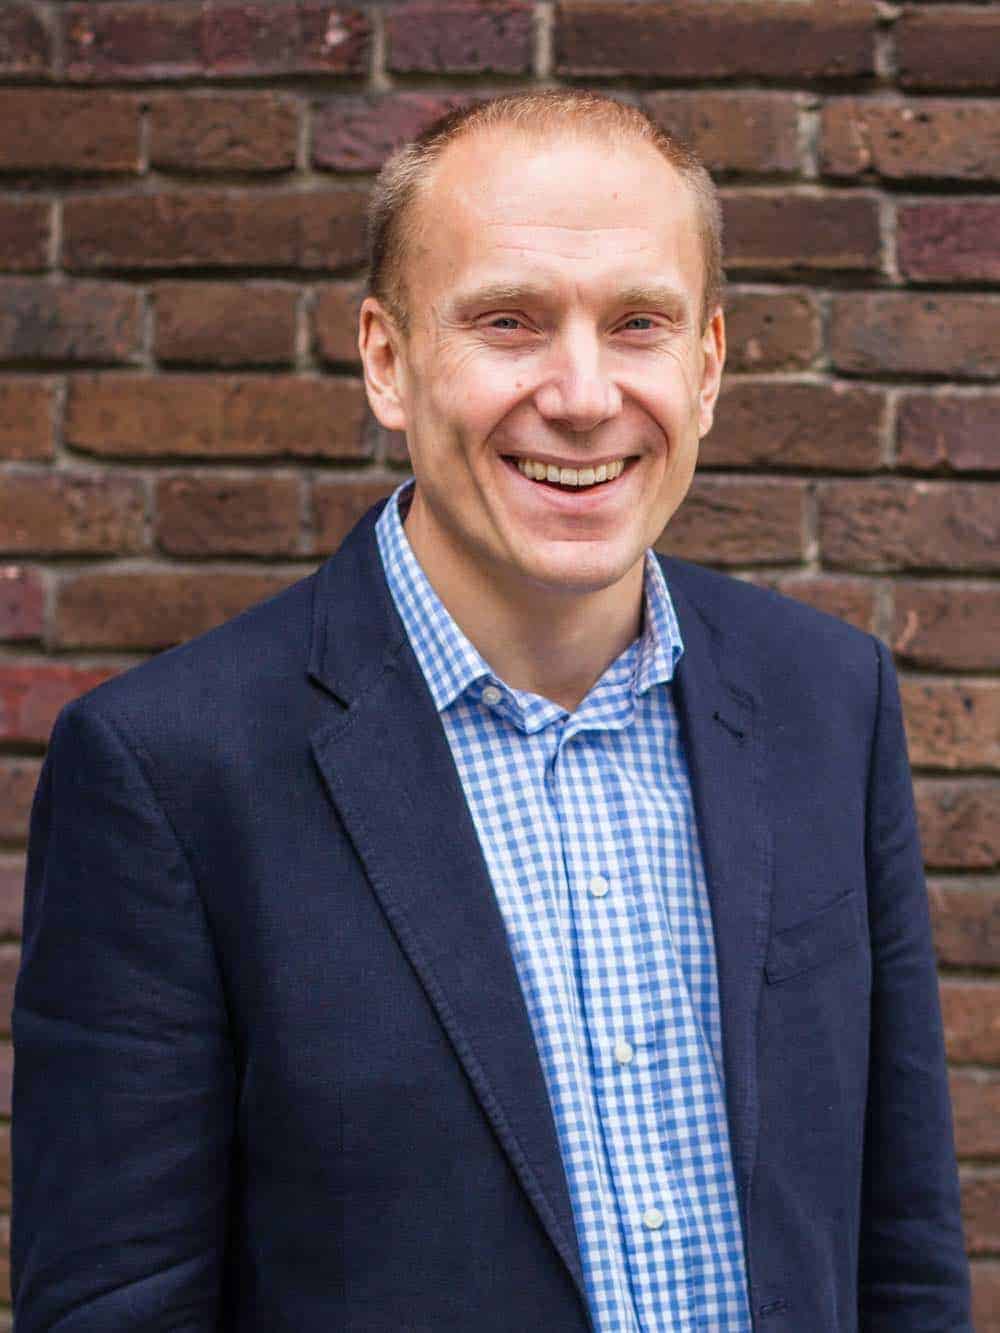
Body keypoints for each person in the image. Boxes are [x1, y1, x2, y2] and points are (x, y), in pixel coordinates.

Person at [12, 90, 971, 1332]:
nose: (581, 394)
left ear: (709, 364)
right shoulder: (167, 773)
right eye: (508, 322)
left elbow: (901, 1254)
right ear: (385, 359)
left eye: (638, 323)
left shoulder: (828, 703)